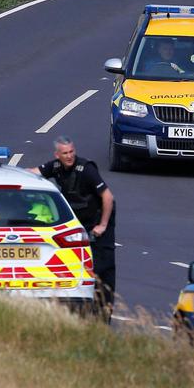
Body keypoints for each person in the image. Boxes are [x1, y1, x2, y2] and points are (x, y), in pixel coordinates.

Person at [28, 136, 116, 320]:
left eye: (71, 152)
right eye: (65, 153)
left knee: (102, 269)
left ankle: (103, 315)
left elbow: (108, 197)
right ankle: (79, 309)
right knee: (75, 265)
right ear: (57, 154)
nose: (69, 156)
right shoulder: (56, 166)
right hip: (80, 223)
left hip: (98, 223)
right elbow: (33, 172)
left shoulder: (86, 169)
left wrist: (103, 225)